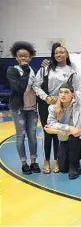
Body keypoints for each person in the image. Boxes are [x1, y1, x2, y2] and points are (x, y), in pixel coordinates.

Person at [33, 42, 78, 174]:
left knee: (58, 131)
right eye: (56, 52)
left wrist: (59, 100)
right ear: (53, 55)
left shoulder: (71, 71)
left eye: (61, 52)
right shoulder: (45, 69)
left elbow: (72, 90)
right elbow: (36, 86)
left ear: (66, 54)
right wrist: (46, 97)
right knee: (47, 132)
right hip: (45, 103)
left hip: (62, 103)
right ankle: (46, 160)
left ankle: (57, 159)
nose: (58, 54)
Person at [6, 41, 40, 174]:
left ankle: (33, 162)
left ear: (30, 58)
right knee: (20, 136)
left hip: (32, 108)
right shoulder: (12, 70)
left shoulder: (35, 71)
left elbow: (38, 88)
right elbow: (19, 88)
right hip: (19, 109)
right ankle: (24, 163)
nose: (23, 58)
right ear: (16, 57)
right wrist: (25, 70)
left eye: (26, 56)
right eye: (20, 56)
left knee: (32, 135)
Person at [44, 84, 81, 179]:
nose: (63, 95)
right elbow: (50, 125)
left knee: (73, 139)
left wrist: (63, 130)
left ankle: (74, 167)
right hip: (65, 137)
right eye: (60, 92)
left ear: (72, 94)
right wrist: (68, 128)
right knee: (63, 168)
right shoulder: (52, 108)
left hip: (80, 137)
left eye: (66, 92)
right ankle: (76, 158)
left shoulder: (79, 104)